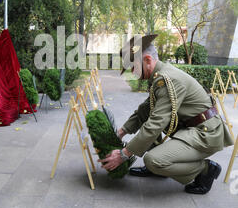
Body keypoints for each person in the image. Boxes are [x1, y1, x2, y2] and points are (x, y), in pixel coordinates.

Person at [99, 34, 234, 194]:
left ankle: (205, 169)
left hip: (205, 134)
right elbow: (145, 110)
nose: (134, 73)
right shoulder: (160, 75)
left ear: (148, 60)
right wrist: (121, 133)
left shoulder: (167, 79)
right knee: (148, 118)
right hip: (191, 127)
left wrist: (124, 154)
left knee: (153, 160)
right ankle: (160, 167)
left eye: (134, 68)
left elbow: (156, 123)